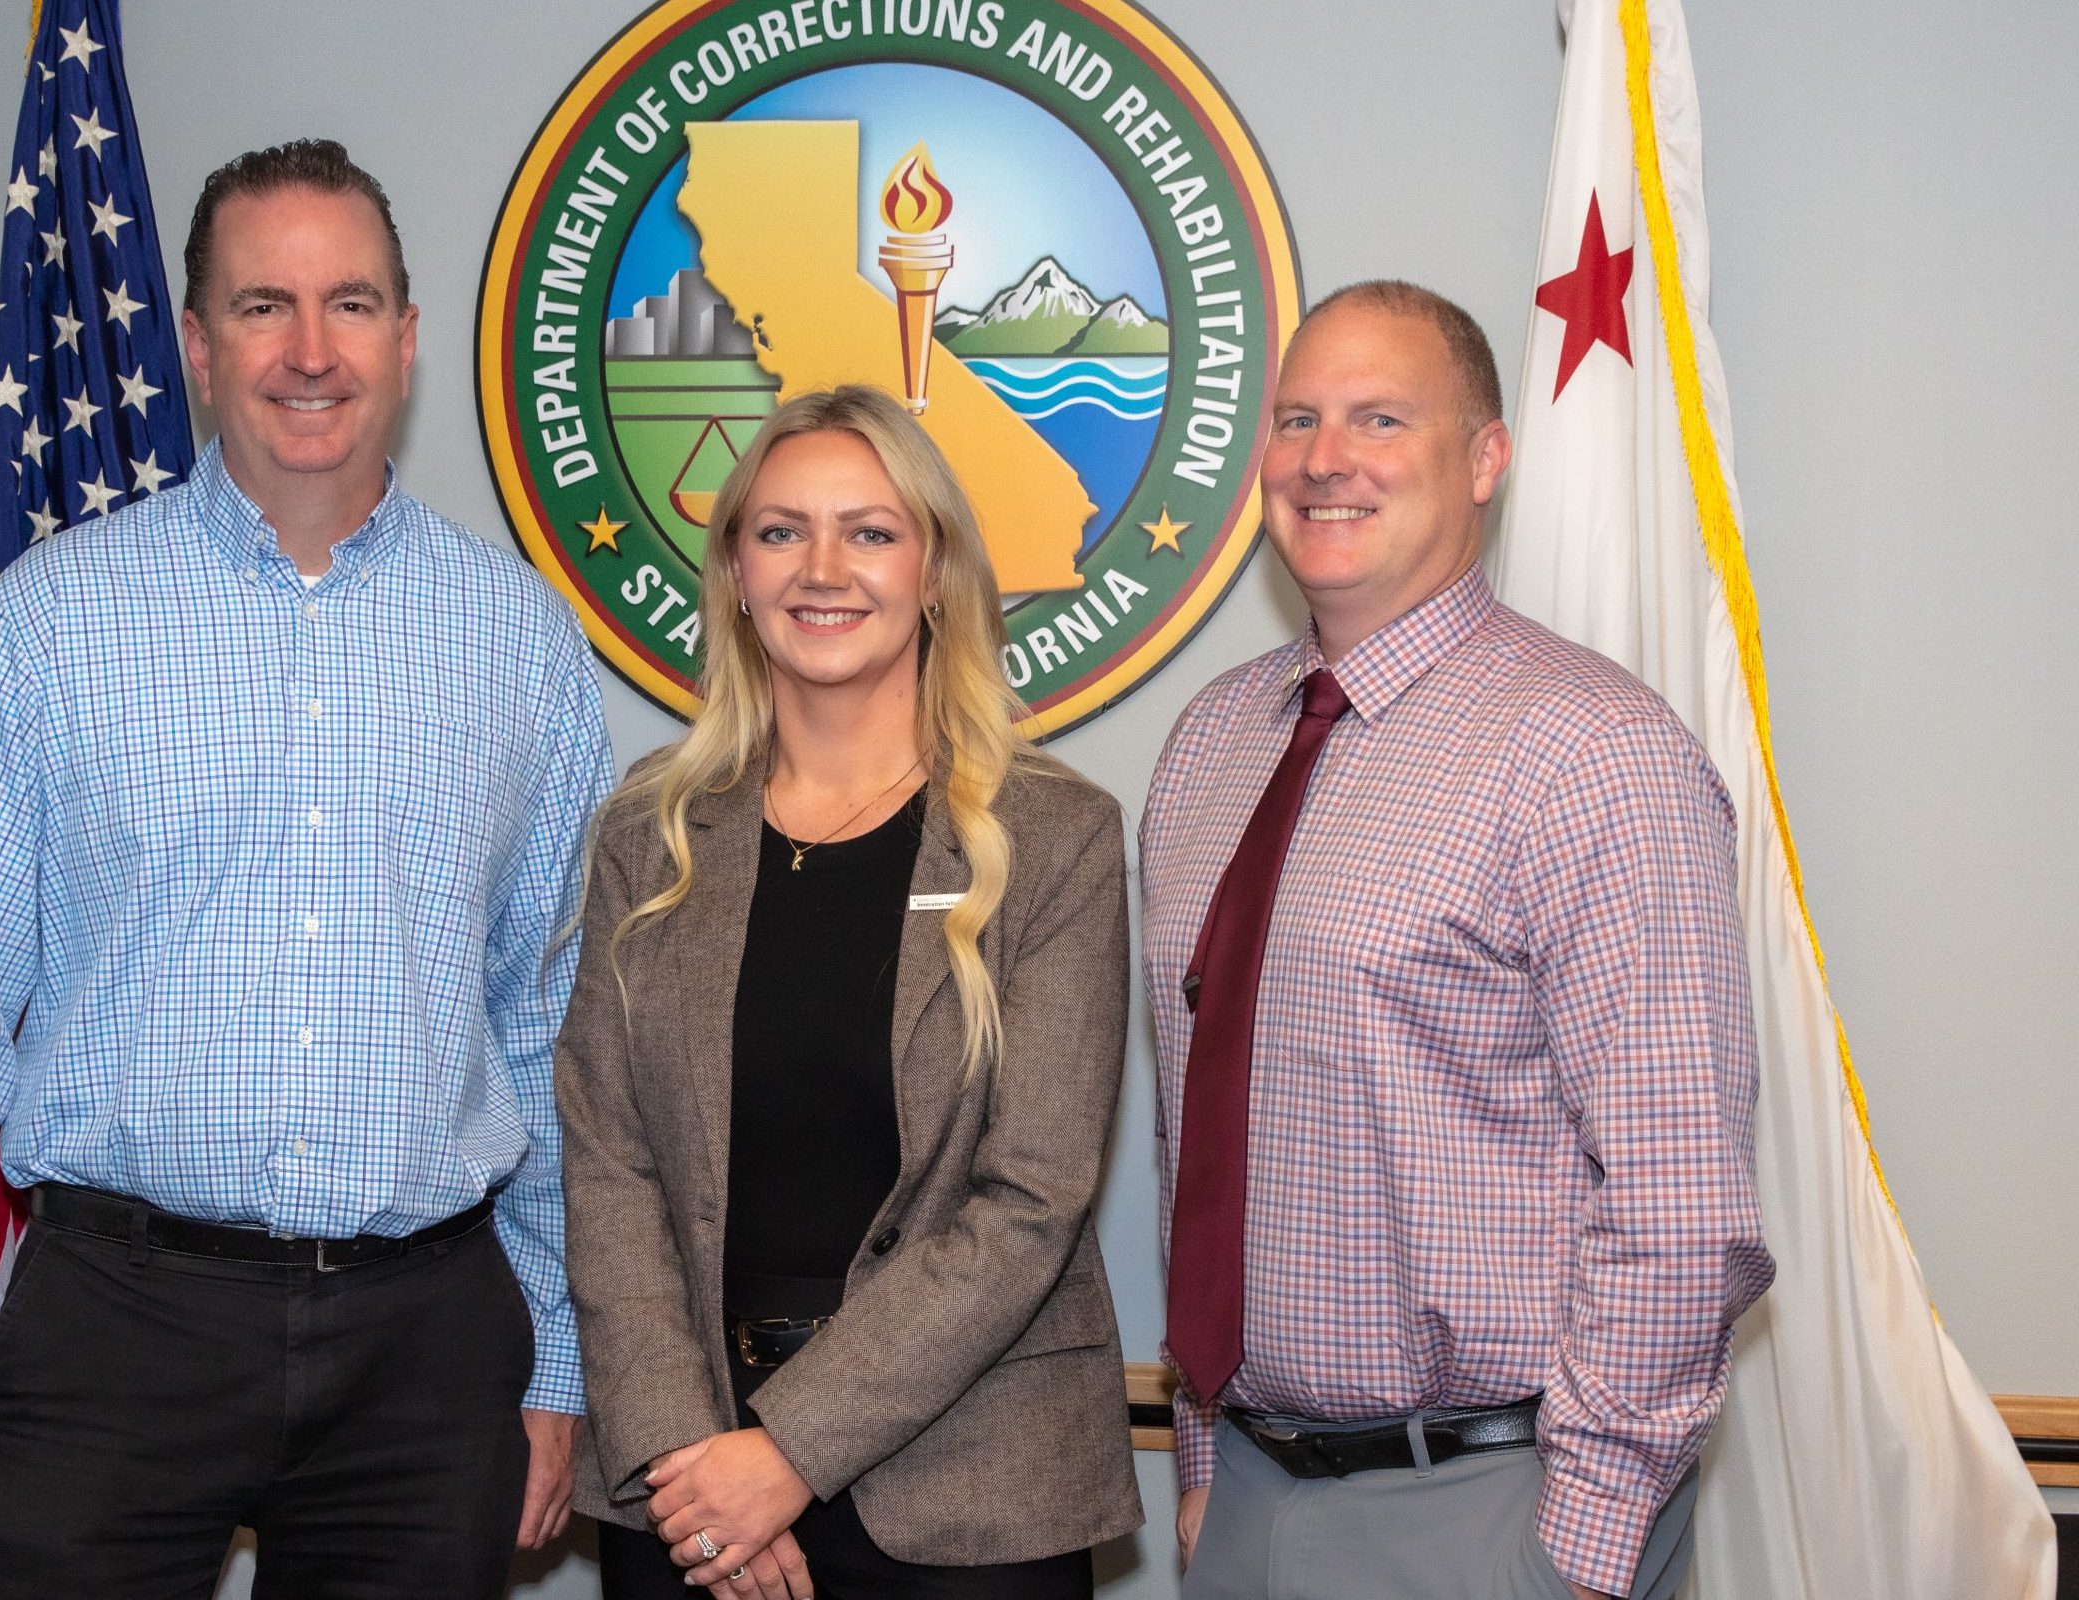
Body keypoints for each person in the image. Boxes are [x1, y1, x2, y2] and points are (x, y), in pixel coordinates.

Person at [0, 139, 611, 1600]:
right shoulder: (56, 621)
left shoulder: (524, 647)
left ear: (408, 334)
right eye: (263, 307)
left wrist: (556, 1361)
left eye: (353, 304)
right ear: (196, 344)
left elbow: (552, 1036)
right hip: (117, 1326)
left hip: (426, 1350)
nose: (311, 352)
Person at [1142, 281, 1774, 1600]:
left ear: (1486, 458)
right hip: (1251, 1498)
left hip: (1493, 1509)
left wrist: (1578, 1552)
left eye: (1381, 417)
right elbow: (1195, 1138)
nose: (1327, 458)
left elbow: (1676, 1203)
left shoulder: (1593, 755)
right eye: (1298, 417)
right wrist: (1204, 1463)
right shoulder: (1210, 744)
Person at [557, 385, 1143, 1600]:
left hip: (969, 1489)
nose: (823, 569)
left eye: (870, 531)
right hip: (690, 1487)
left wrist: (791, 1449)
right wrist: (695, 1461)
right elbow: (609, 1167)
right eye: (780, 532)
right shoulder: (648, 831)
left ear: (934, 569)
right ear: (732, 571)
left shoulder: (1052, 836)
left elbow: (1030, 1197)